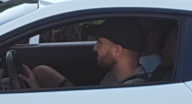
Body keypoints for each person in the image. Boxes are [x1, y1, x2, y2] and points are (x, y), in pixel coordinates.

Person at [19, 18, 151, 88]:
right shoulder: (114, 77)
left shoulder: (130, 91)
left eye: (100, 42)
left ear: (117, 50)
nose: (94, 48)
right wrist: (36, 87)